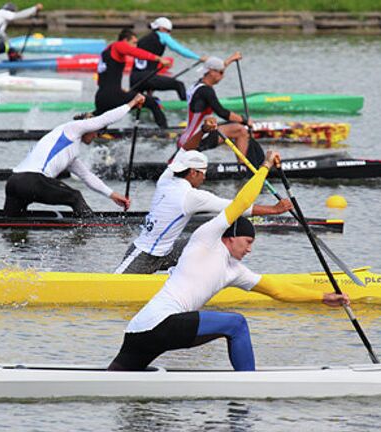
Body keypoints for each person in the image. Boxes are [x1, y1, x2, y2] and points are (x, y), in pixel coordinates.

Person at [108, 150, 350, 372]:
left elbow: (278, 290)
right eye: (247, 242)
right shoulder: (206, 238)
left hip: (138, 330)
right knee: (237, 324)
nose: (249, 250)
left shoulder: (236, 271)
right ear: (231, 237)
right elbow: (241, 203)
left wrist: (322, 297)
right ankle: (249, 385)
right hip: (161, 322)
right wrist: (265, 166)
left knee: (114, 379)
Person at [115, 118, 293, 274]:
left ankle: (211, 279)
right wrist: (274, 209)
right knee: (114, 289)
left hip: (167, 251)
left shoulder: (167, 177)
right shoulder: (191, 197)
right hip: (143, 253)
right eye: (202, 173)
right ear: (193, 173)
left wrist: (203, 131)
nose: (205, 177)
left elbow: (186, 149)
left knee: (208, 245)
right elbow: (239, 206)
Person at [3, 94, 146, 218]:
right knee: (75, 197)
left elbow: (87, 177)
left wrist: (112, 195)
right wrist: (132, 103)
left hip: (13, 183)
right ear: (90, 126)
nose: (97, 135)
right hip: (31, 181)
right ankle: (91, 230)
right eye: (98, 131)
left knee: (12, 226)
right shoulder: (72, 128)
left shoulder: (70, 151)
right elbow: (104, 119)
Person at [177, 55, 259, 164]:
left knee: (231, 124)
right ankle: (242, 167)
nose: (223, 76)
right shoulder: (207, 91)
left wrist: (230, 59)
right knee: (241, 130)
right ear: (211, 72)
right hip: (199, 137)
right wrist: (245, 120)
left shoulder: (196, 85)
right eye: (221, 73)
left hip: (186, 137)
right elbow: (222, 112)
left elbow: (218, 67)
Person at [94, 29, 172, 129]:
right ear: (125, 40)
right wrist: (159, 59)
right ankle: (165, 131)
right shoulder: (118, 45)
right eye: (134, 43)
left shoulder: (107, 51)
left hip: (101, 97)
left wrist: (119, 88)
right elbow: (134, 52)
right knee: (152, 102)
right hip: (114, 96)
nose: (136, 46)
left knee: (99, 129)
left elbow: (103, 77)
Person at [129, 17, 207, 101]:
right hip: (147, 77)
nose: (169, 34)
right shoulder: (162, 35)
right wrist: (198, 57)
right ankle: (188, 105)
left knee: (147, 99)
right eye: (169, 31)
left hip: (134, 79)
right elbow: (179, 49)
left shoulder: (143, 40)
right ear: (162, 29)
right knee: (178, 85)